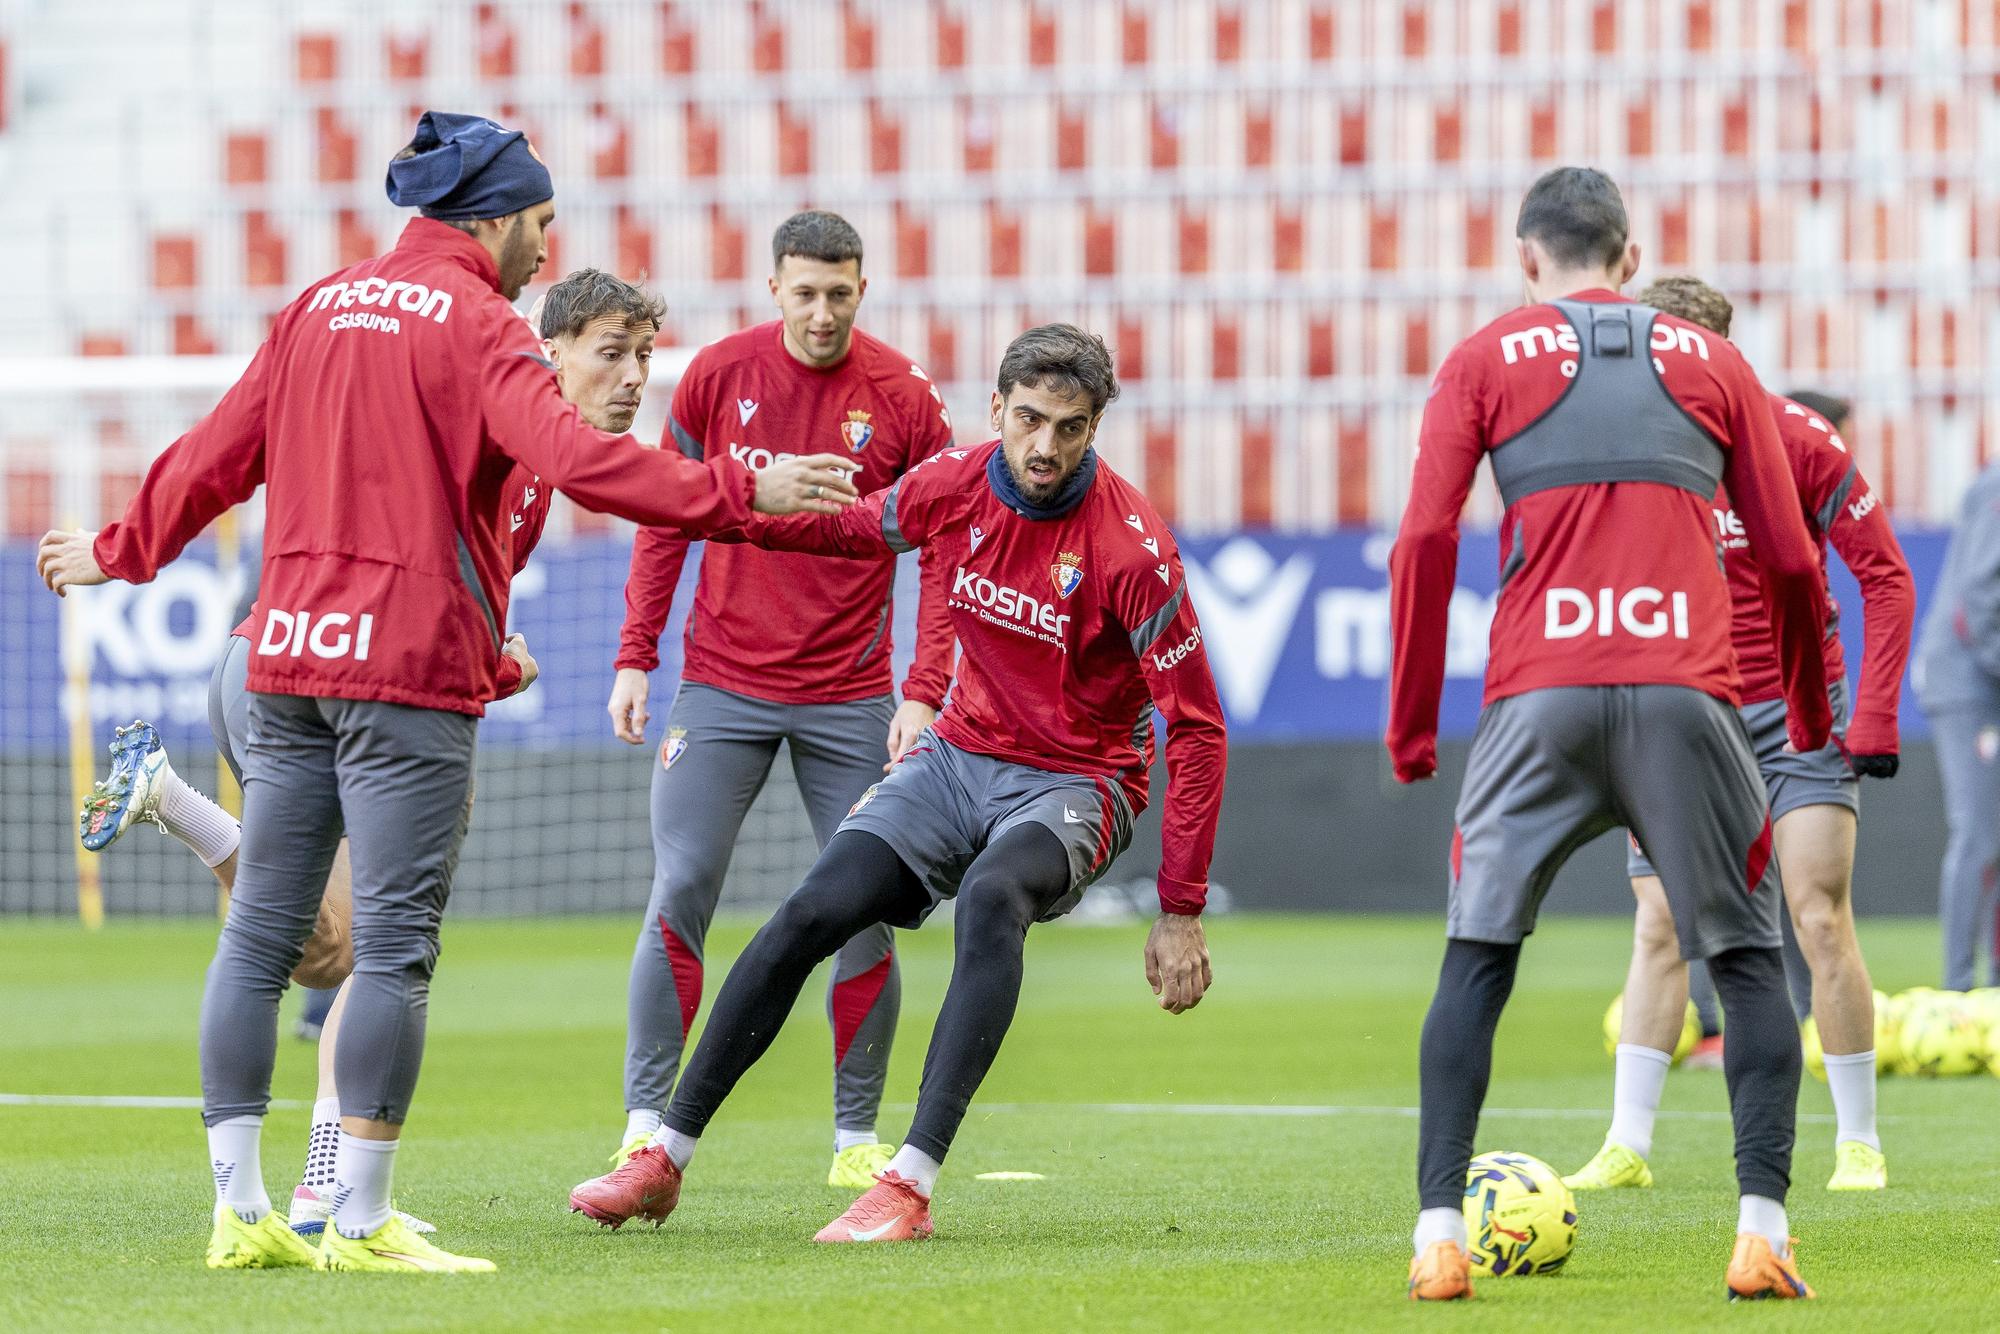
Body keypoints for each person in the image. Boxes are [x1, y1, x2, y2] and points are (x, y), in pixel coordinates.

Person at [35, 111, 858, 1275]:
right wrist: (742, 489)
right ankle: (358, 1216)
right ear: (497, 216)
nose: (544, 243)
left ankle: (241, 1209)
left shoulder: (318, 305)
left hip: (283, 655)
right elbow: (573, 458)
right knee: (391, 948)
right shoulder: (480, 326)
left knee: (268, 933)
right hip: (397, 673)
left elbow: (218, 451)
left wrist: (118, 546)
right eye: (539, 221)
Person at [567, 324, 1226, 1243]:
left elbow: (1195, 727)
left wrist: (1181, 905)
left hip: (1076, 779)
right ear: (996, 410)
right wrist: (734, 507)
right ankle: (663, 1159)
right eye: (1029, 419)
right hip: (956, 758)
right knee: (809, 914)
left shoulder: (1131, 549)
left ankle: (908, 1184)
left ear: (1095, 427)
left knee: (992, 896)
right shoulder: (956, 482)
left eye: (1069, 428)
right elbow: (853, 530)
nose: (1044, 447)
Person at [74, 266, 669, 1238]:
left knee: (334, 949)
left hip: (274, 657)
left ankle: (300, 1192)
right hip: (344, 675)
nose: (635, 377)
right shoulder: (500, 421)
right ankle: (332, 1195)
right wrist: (491, 667)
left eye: (644, 355)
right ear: (545, 352)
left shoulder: (524, 461)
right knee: (372, 945)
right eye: (611, 354)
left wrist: (489, 656)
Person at [1388, 168, 1833, 1302]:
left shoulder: (1484, 356)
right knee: (1744, 960)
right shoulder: (1717, 363)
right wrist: (1810, 715)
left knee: (1476, 957)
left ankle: (1438, 1234)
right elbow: (1788, 559)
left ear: (1524, 259)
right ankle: (1760, 1232)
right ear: (1630, 261)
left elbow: (1424, 542)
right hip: (1688, 694)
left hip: (1537, 694)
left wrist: (1408, 729)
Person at [602, 211, 956, 1190]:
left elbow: (949, 543)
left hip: (851, 695)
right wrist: (635, 656)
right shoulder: (718, 376)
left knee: (866, 909)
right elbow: (665, 516)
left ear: (861, 289)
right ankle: (643, 1123)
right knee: (680, 889)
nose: (821, 311)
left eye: (838, 292)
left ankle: (853, 1141)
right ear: (773, 289)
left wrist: (923, 690)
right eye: (803, 292)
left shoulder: (903, 398)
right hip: (720, 686)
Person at [1566, 285, 1914, 1196]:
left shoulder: (1796, 438)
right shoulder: (1634, 448)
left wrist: (1871, 714)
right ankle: (1627, 1145)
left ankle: (1858, 1141)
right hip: (1684, 711)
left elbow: (1887, 576)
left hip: (1800, 710)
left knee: (1817, 915)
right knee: (1660, 923)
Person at [1914, 458, 2000, 989]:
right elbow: (1979, 598)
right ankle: (1960, 990)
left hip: (1985, 678)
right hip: (1969, 683)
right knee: (1978, 833)